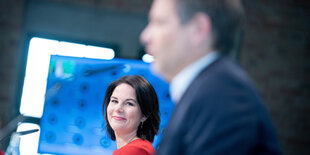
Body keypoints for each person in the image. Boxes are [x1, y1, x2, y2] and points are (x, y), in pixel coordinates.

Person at [140, 0, 282, 154]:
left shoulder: (224, 94)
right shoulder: (207, 88)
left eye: (159, 23)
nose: (145, 36)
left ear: (198, 30)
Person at [103, 75, 160, 155]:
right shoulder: (140, 148)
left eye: (129, 103)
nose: (118, 109)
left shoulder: (134, 151)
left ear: (144, 115)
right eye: (114, 101)